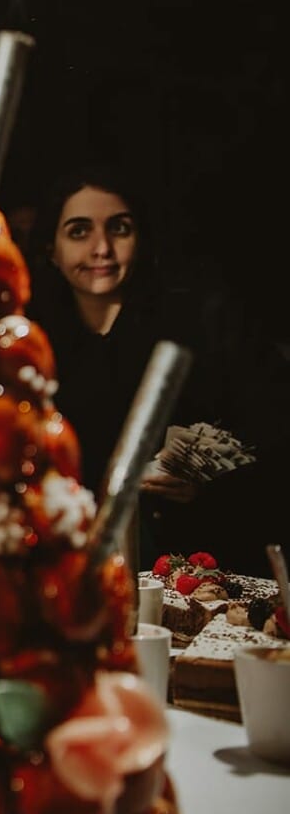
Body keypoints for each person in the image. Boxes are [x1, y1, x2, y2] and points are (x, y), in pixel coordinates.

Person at [25, 162, 290, 576]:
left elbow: (273, 419)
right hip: (71, 563)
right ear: (50, 249)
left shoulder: (201, 320)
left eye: (119, 228)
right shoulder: (29, 337)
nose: (101, 249)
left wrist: (206, 479)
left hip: (195, 563)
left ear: (141, 238)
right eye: (79, 231)